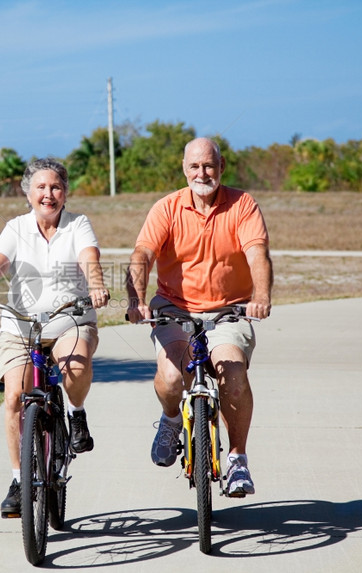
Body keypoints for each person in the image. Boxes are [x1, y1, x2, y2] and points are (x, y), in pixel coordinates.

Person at [0, 157, 110, 517]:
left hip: (69, 319)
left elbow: (89, 258)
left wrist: (96, 285)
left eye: (56, 187)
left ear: (66, 192)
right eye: (41, 188)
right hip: (21, 325)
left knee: (74, 367)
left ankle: (76, 413)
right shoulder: (16, 228)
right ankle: (18, 480)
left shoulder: (78, 225)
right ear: (27, 193)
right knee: (15, 395)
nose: (49, 194)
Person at [125, 137, 273, 497]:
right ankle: (172, 418)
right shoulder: (167, 208)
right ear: (184, 168)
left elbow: (258, 254)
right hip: (174, 309)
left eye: (209, 165)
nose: (202, 173)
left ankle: (238, 459)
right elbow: (142, 254)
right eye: (195, 166)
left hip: (228, 310)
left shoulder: (242, 205)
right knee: (173, 376)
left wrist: (261, 296)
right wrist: (135, 299)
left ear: (221, 167)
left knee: (233, 372)